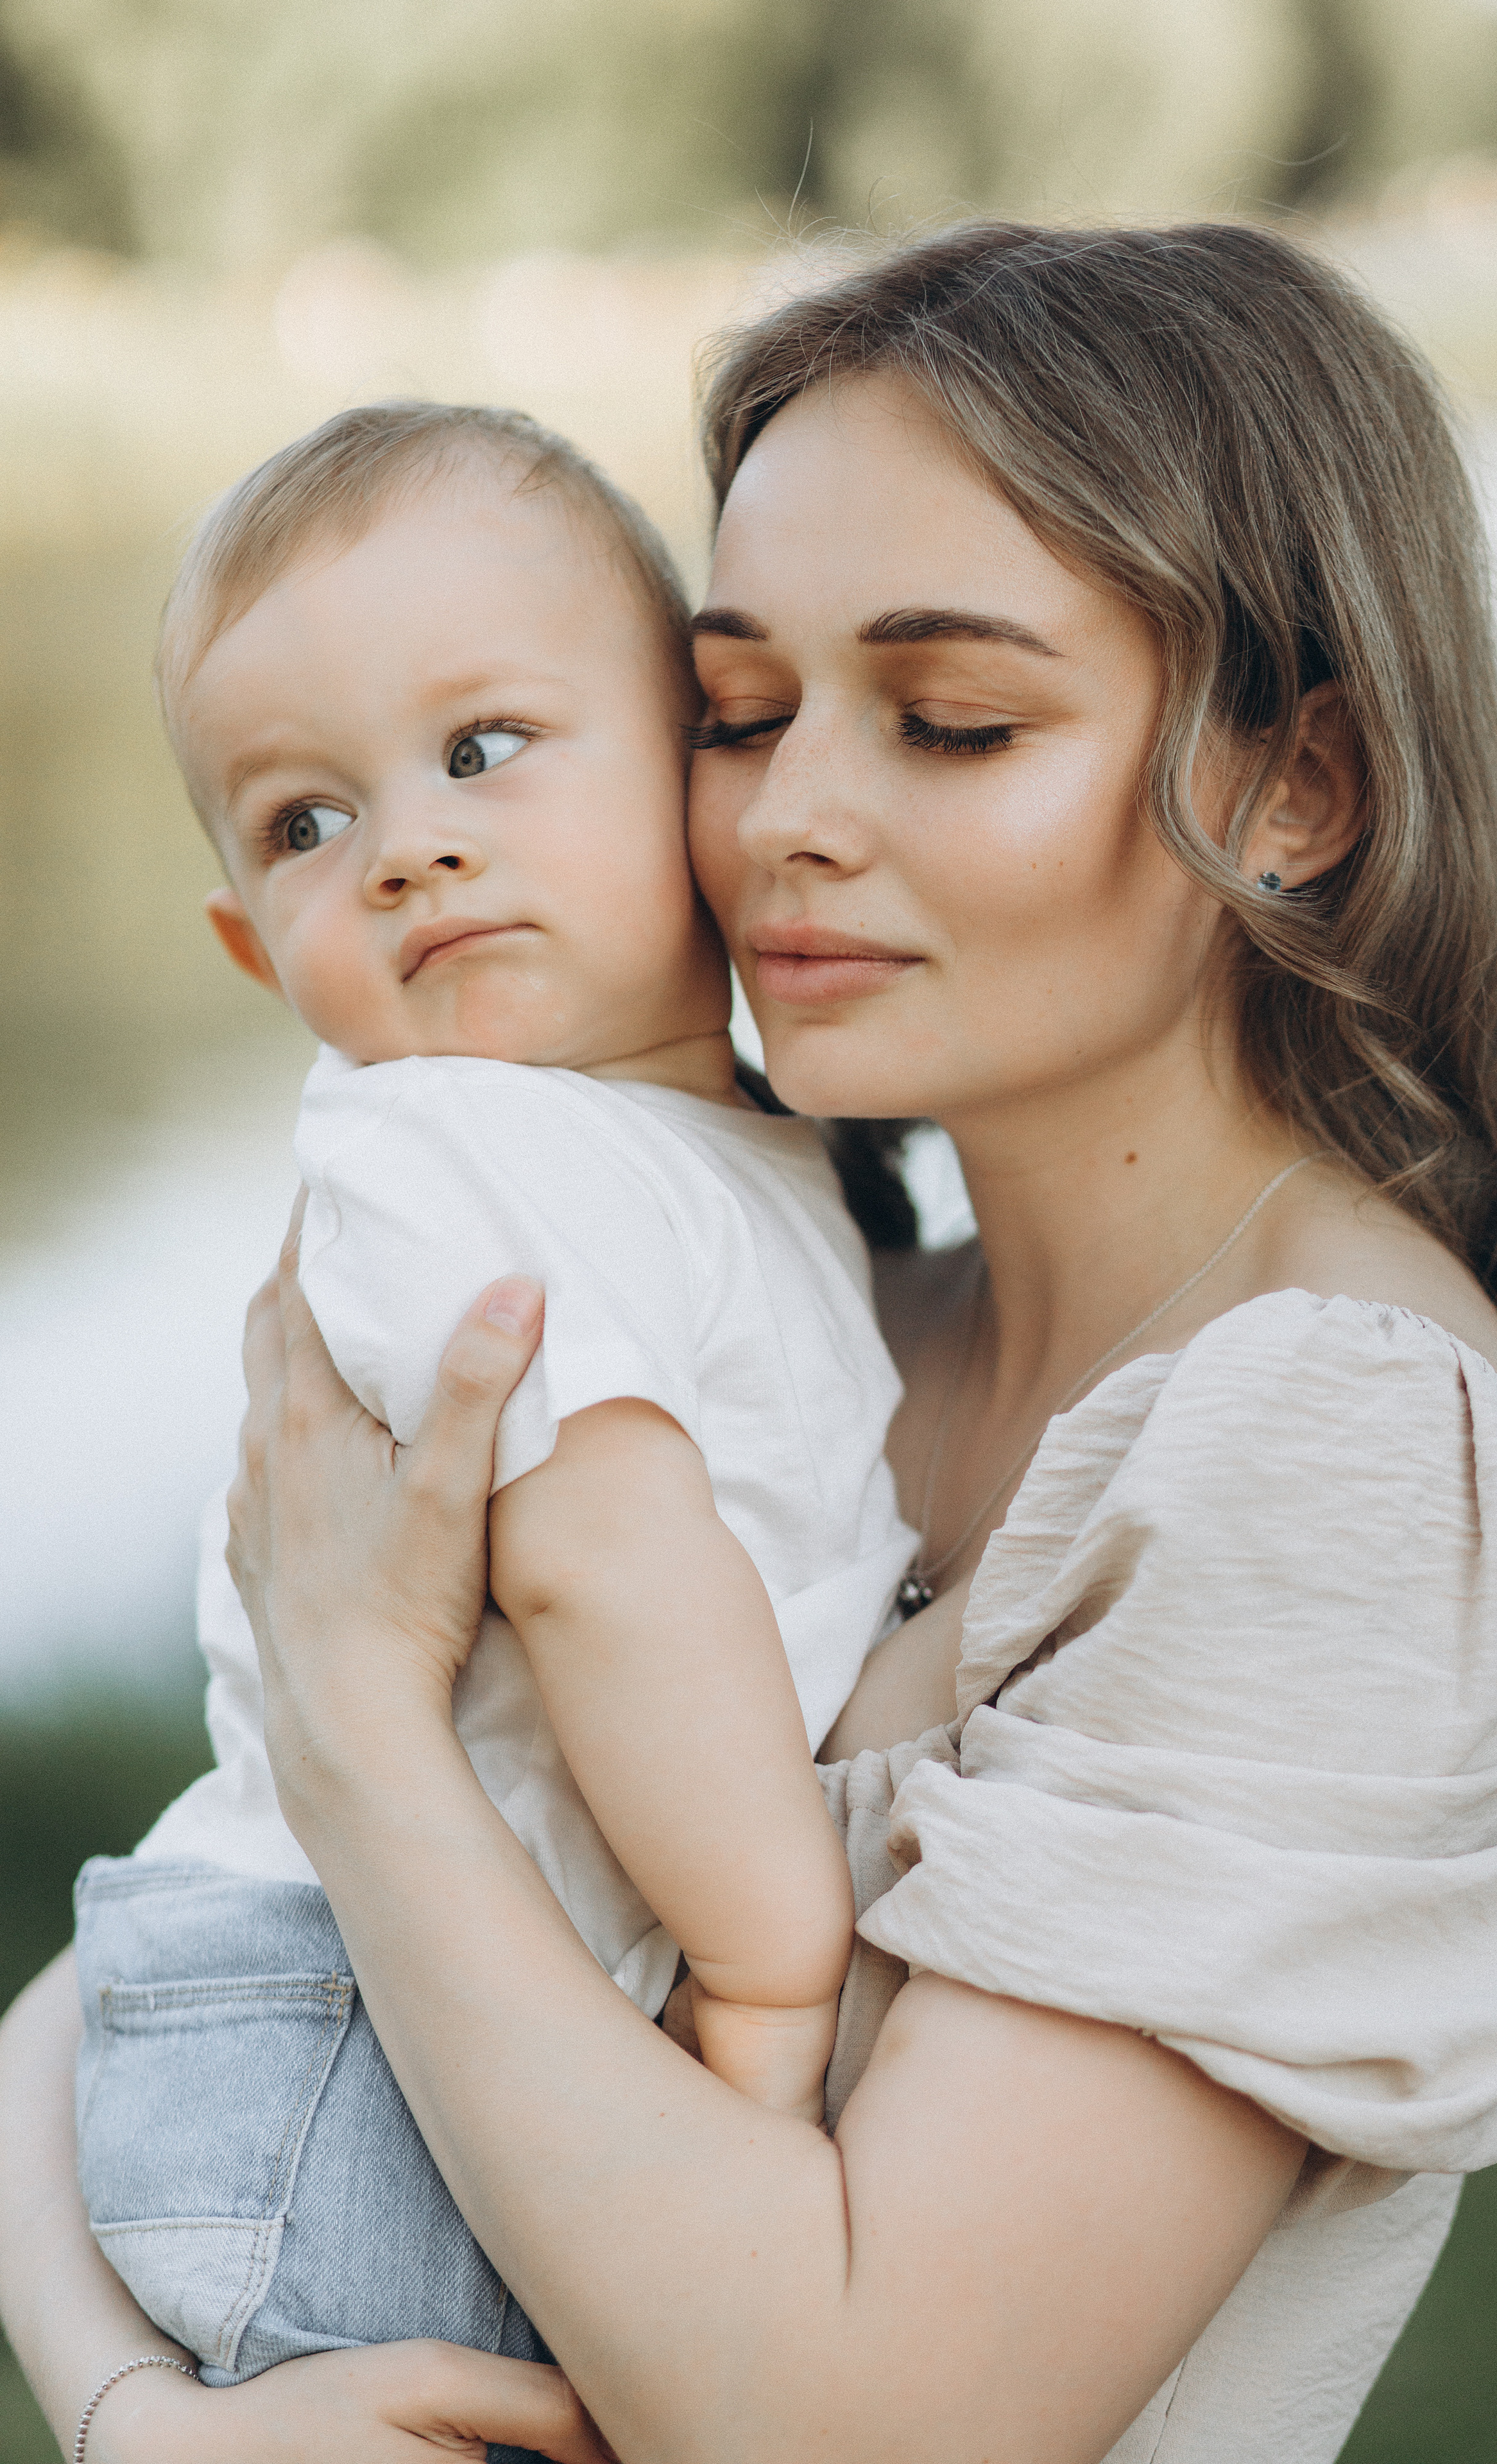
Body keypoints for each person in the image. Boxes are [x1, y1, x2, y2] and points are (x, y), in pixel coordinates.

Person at [1, 220, 1497, 2464]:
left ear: (1297, 788)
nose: (790, 820)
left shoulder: (1331, 1448)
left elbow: (858, 2424)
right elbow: (147, 1948)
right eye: (742, 712)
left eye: (951, 719)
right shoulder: (822, 1311)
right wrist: (132, 2420)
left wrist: (364, 1720)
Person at [68, 399, 920, 2397]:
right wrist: (772, 1972)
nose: (413, 849)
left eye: (483, 752)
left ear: (700, 771)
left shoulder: (695, 1153)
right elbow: (608, 1573)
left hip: (353, 2006)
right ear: (245, 942)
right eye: (306, 823)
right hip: (336, 2043)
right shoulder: (465, 1150)